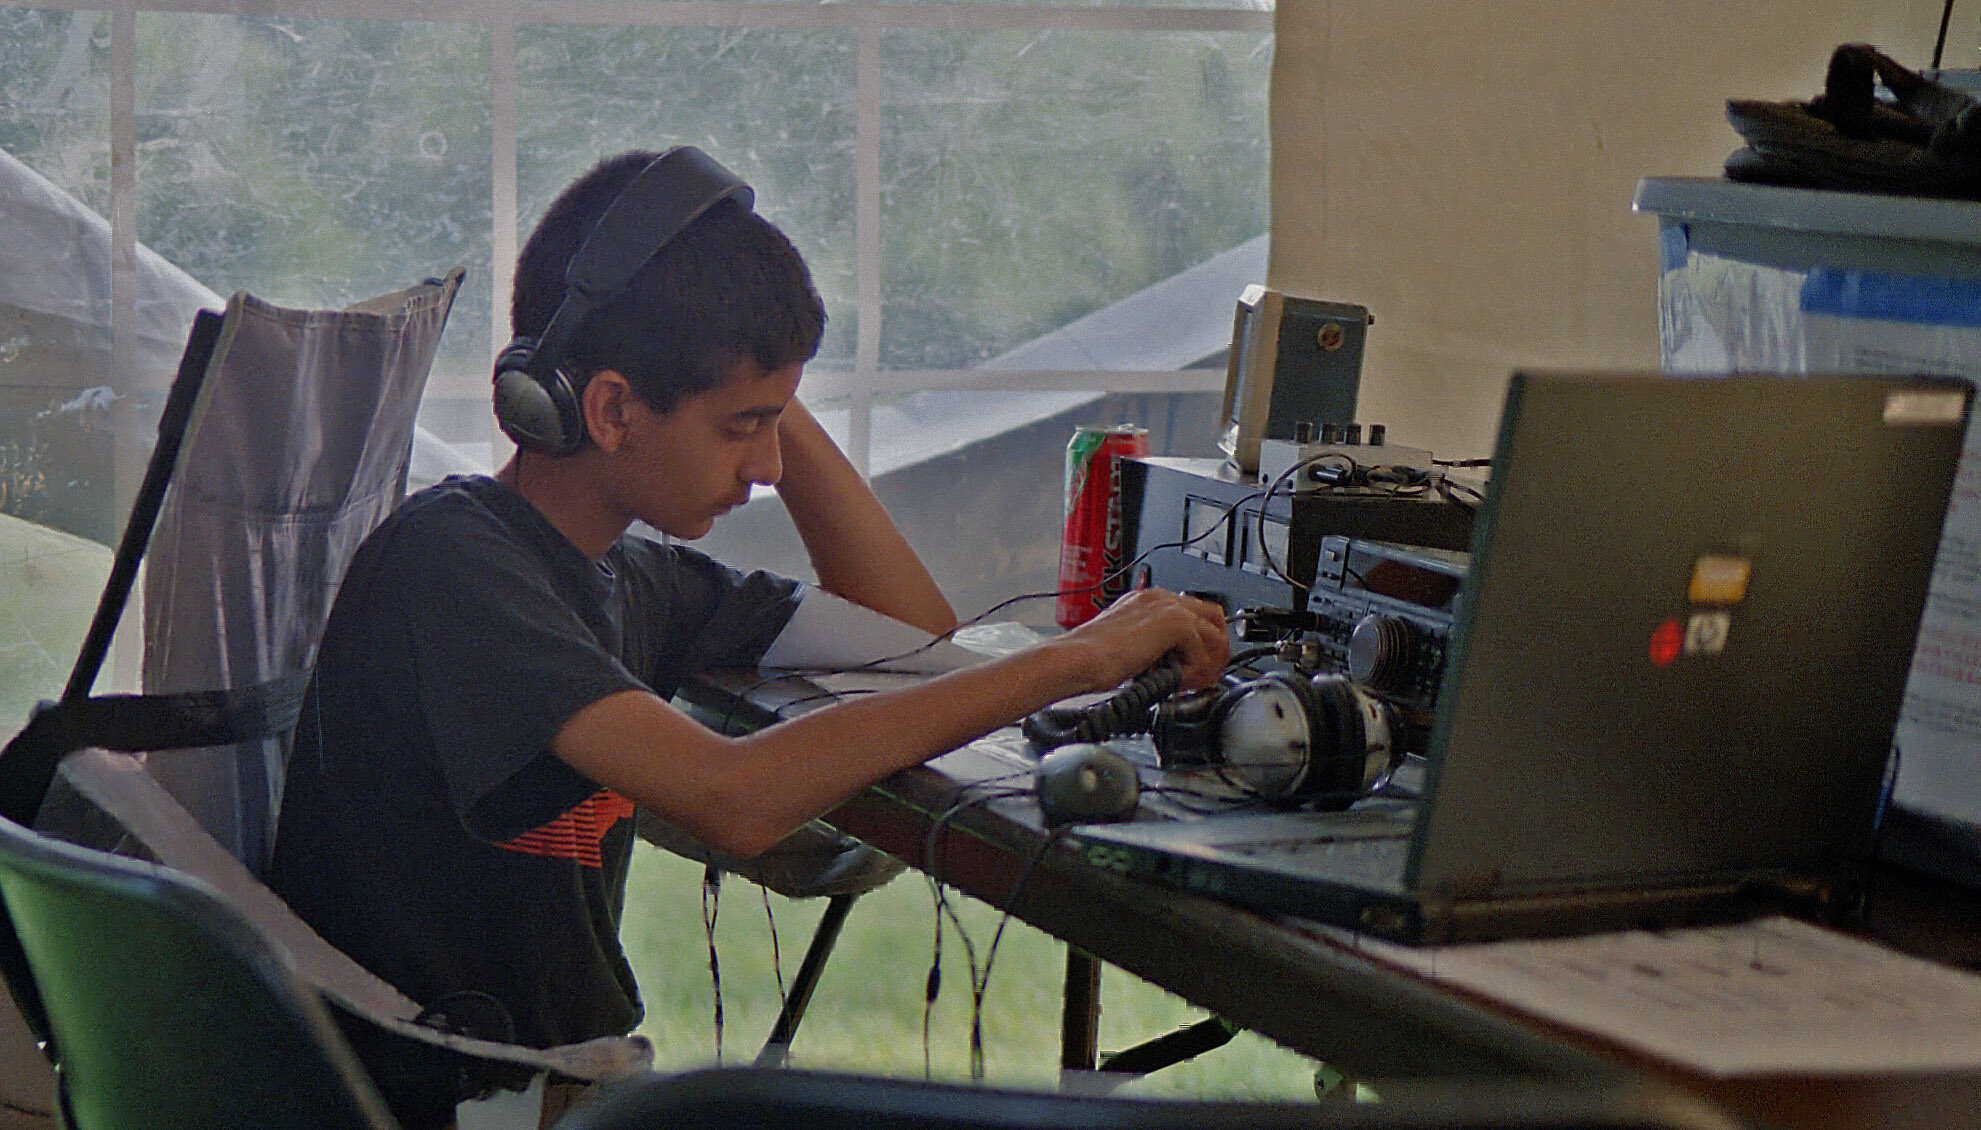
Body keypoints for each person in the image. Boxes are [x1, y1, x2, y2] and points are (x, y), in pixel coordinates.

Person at [268, 148, 1228, 1129]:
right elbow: (735, 798)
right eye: (742, 427)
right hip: (439, 1102)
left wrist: (763, 376)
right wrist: (1075, 660)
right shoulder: (451, 562)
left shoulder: (629, 576)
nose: (768, 464)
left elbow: (909, 638)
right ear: (609, 408)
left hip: (540, 1091)